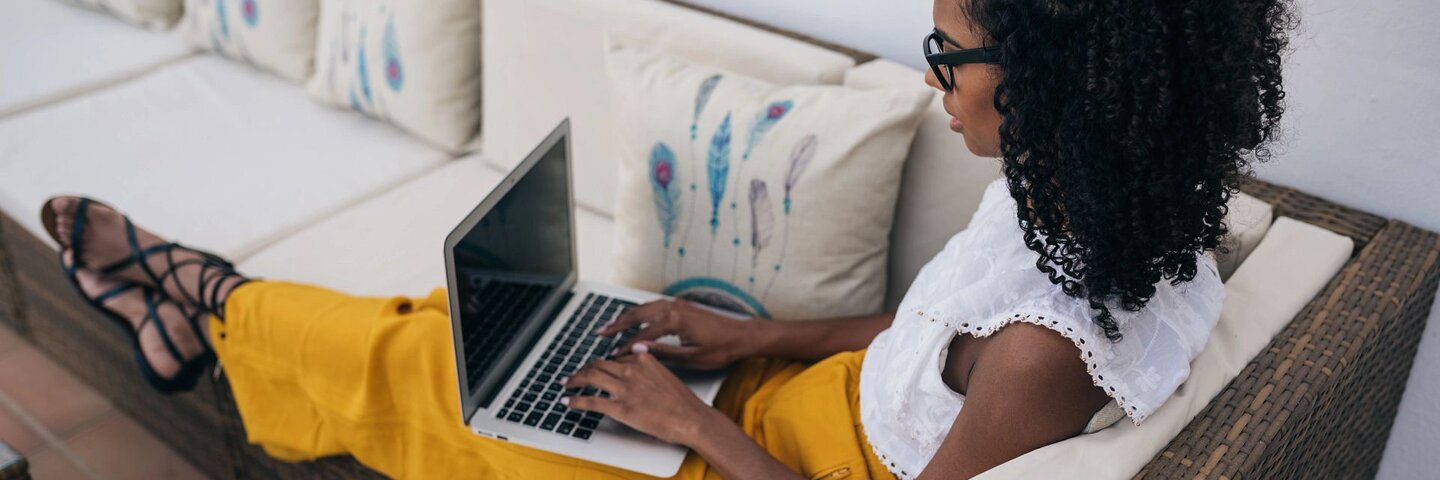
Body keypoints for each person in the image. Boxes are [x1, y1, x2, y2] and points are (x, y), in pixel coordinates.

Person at [39, 0, 1292, 477]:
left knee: (455, 389)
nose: (930, 84)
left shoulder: (1054, 350)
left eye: (945, 54)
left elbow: (985, 366)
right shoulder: (1081, 207)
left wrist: (694, 421)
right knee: (491, 337)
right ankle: (201, 314)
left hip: (768, 460)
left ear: (1055, 80)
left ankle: (201, 300)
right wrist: (753, 335)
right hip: (805, 401)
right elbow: (933, 334)